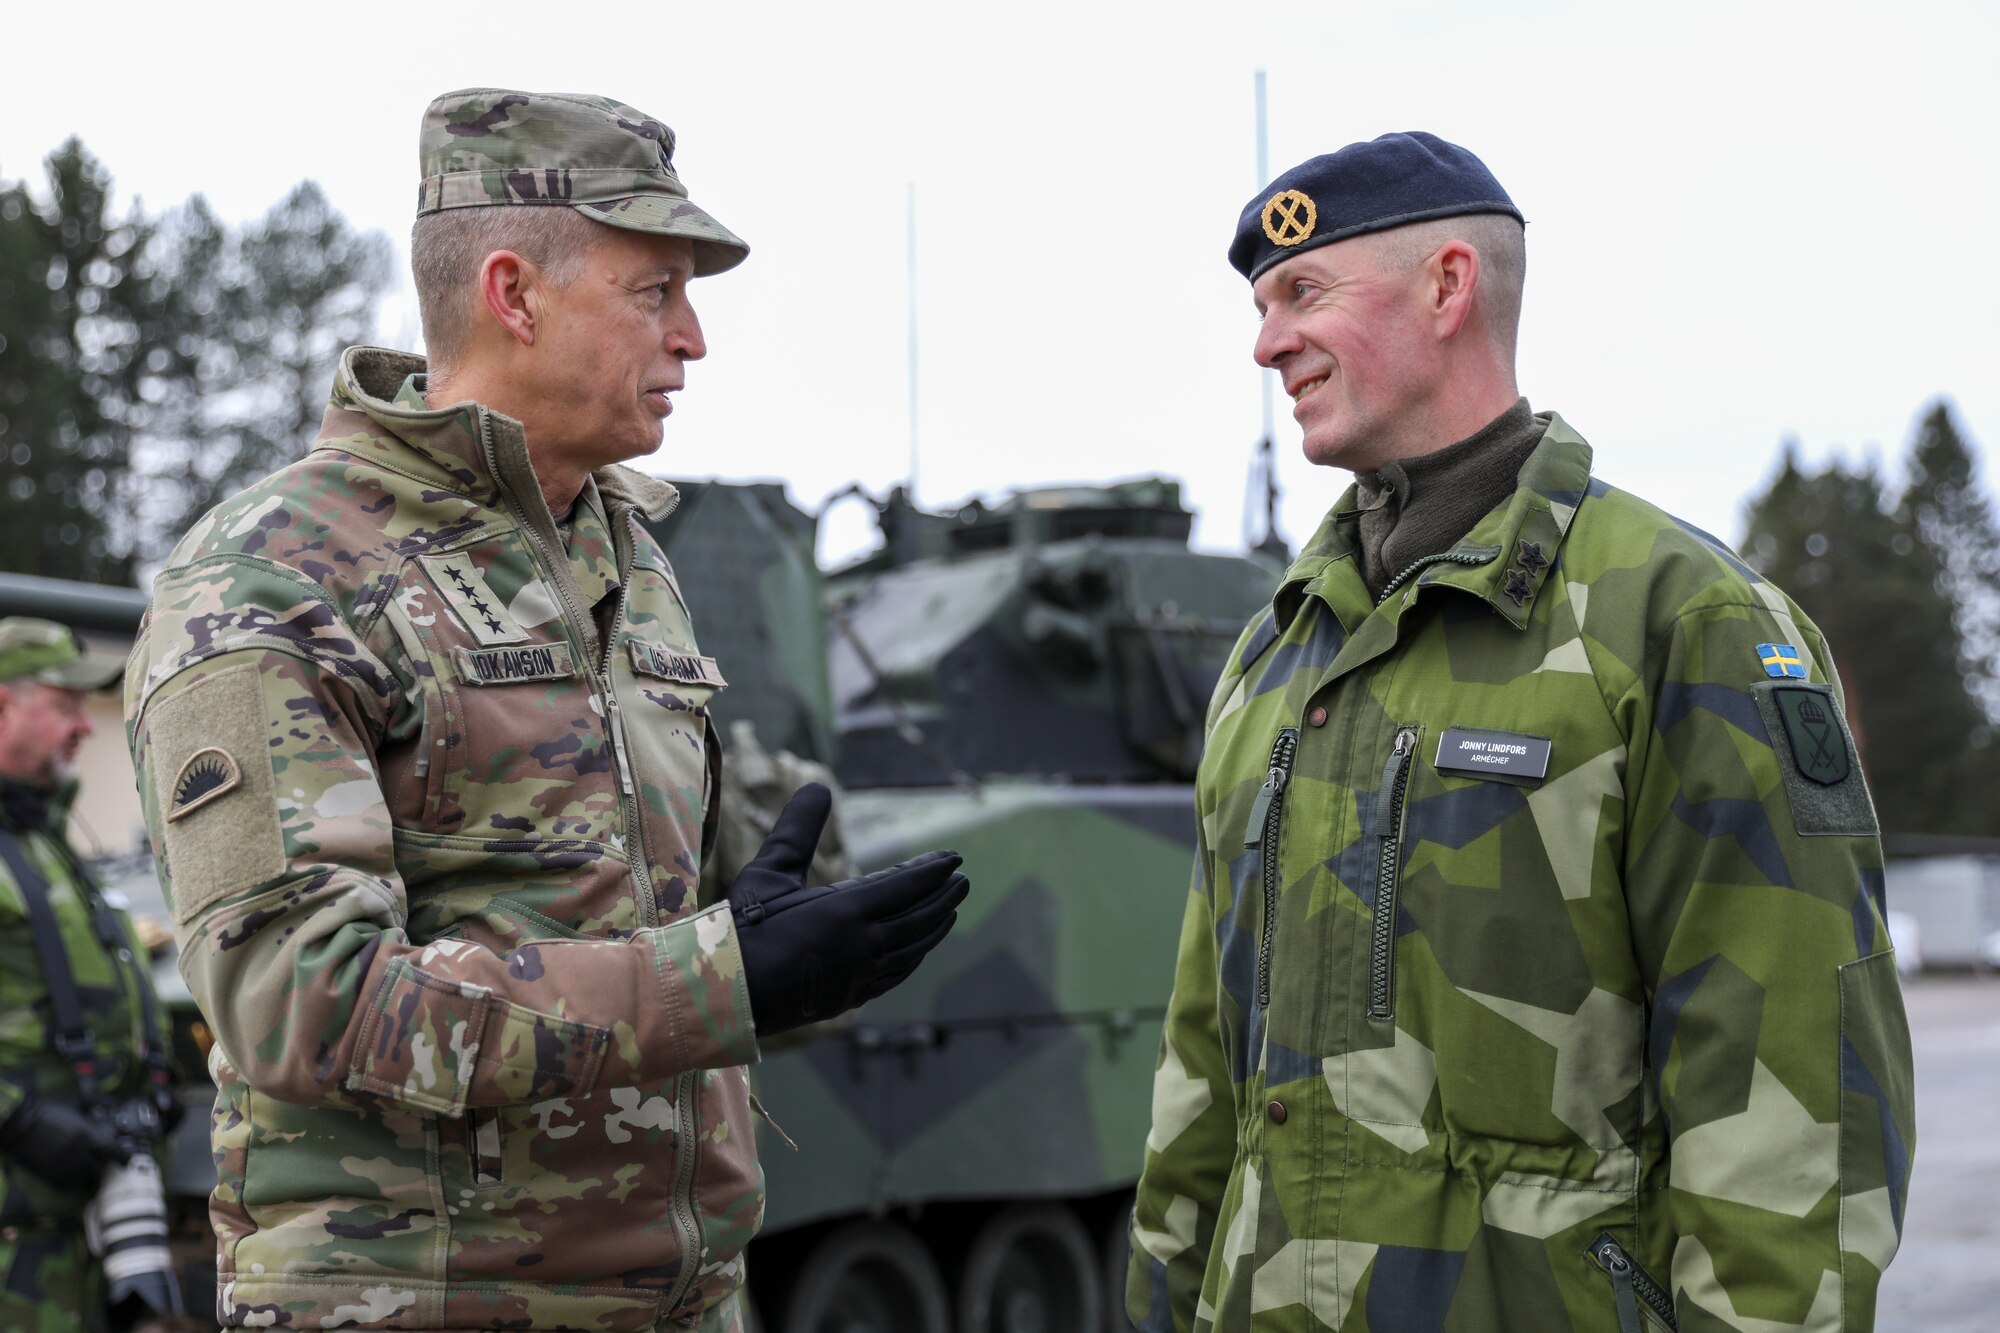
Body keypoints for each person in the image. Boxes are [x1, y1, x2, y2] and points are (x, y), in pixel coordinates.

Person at [125, 89, 968, 1332]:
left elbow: (636, 918)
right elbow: (299, 999)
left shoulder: (619, 552)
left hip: (676, 1295)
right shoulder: (276, 576)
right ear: (513, 294)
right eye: (654, 293)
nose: (692, 340)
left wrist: (775, 928)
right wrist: (719, 980)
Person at [1127, 133, 1914, 1331]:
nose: (1264, 340)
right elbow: (1202, 1064)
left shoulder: (1676, 623)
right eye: (1257, 305)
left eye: (1302, 292)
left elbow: (1790, 1105)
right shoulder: (1278, 652)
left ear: (1447, 287)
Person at [0, 617, 181, 1331]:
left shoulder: (40, 835)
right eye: (66, 705)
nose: (84, 728)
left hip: (80, 1228)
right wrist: (21, 1119)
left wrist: (153, 1084)